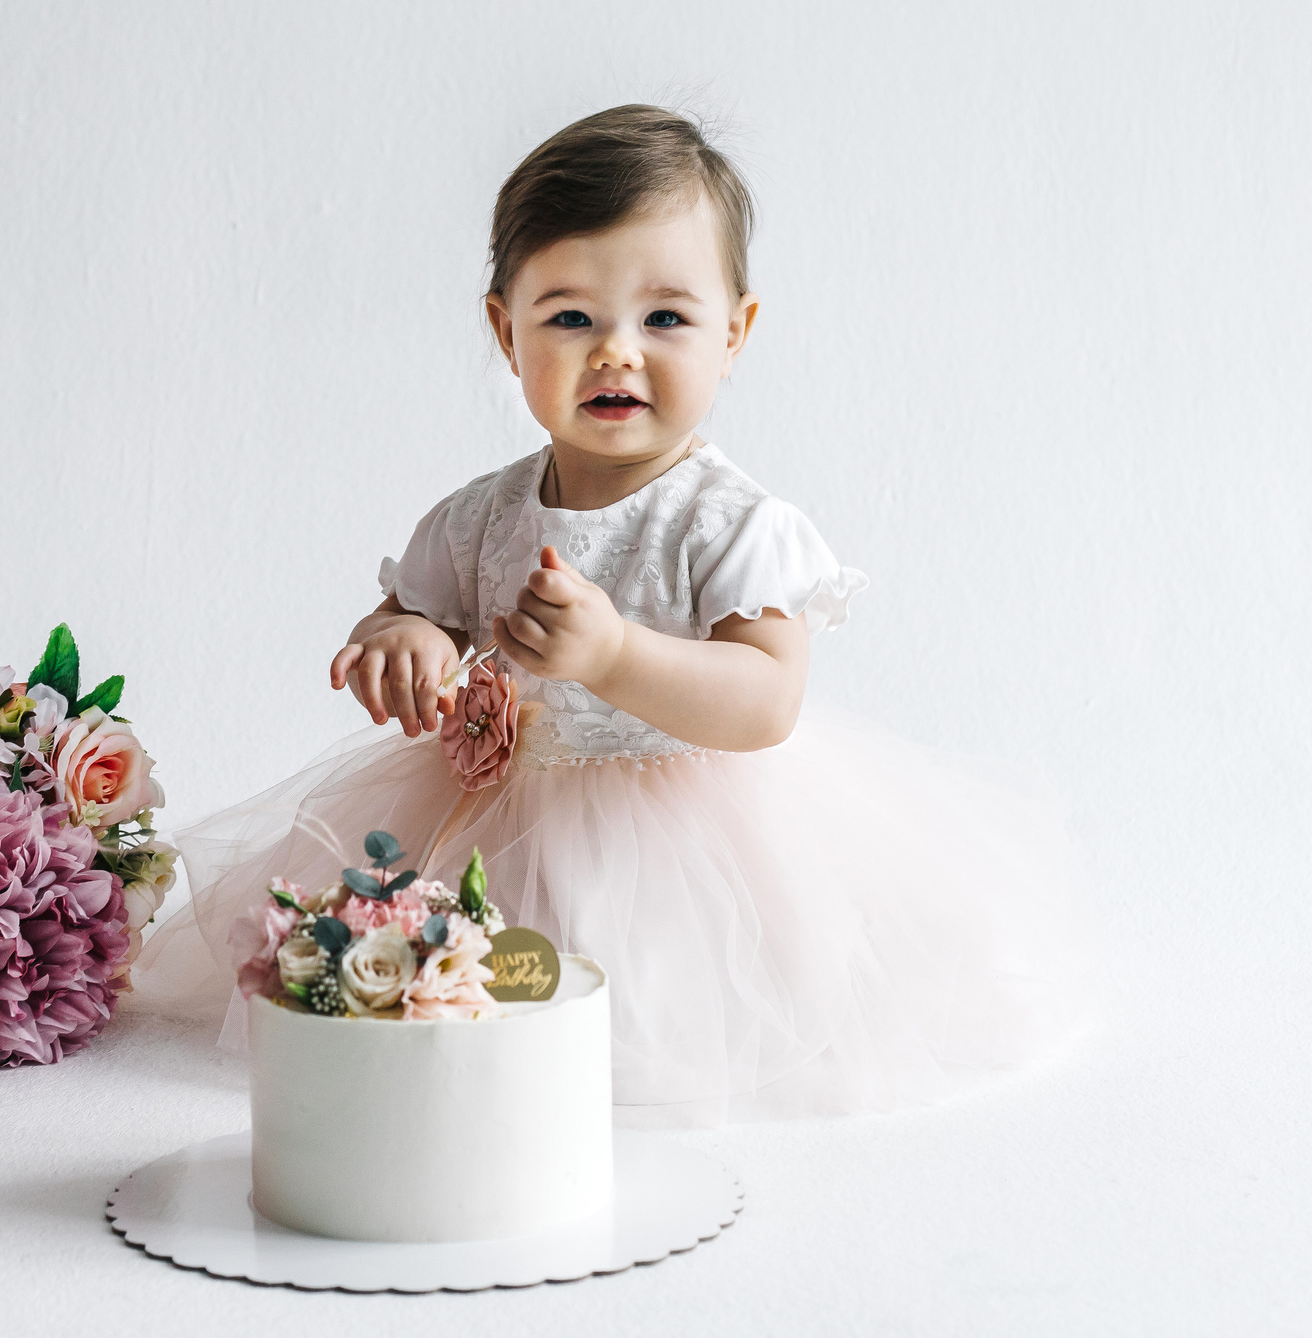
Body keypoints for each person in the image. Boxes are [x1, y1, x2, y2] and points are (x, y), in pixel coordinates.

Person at [135, 105, 1090, 1125]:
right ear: (505, 332)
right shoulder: (481, 515)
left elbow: (765, 700)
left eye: (665, 318)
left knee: (642, 1012)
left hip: (692, 839)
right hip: (495, 823)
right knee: (455, 1001)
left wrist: (617, 652)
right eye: (569, 317)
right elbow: (413, 611)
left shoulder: (729, 524)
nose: (615, 353)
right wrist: (403, 642)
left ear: (736, 332)